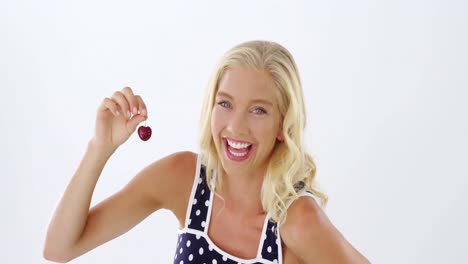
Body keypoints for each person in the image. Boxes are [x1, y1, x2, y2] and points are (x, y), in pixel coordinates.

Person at [43, 40, 370, 263]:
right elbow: (59, 248)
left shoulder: (298, 221)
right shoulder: (183, 179)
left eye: (258, 110)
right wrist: (99, 148)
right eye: (225, 104)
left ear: (284, 124)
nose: (236, 128)